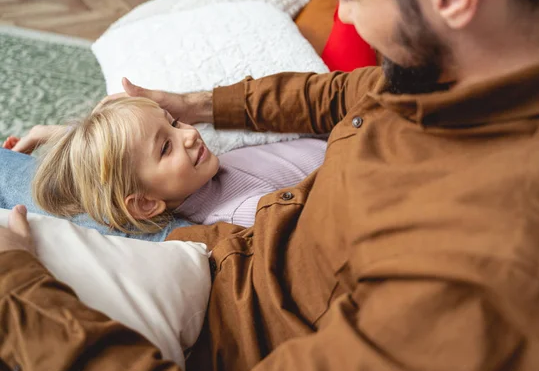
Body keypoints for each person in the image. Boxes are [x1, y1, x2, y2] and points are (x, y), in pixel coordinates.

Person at [1, 0, 539, 371]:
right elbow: (346, 92)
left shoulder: (485, 270)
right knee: (27, 169)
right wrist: (196, 103)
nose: (343, 16)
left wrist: (17, 292)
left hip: (218, 302)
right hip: (235, 243)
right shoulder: (482, 62)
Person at [3, 97, 325, 234]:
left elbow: (119, 156)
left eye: (174, 122)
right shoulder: (238, 213)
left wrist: (49, 134)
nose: (189, 134)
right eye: (166, 146)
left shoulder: (197, 175)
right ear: (145, 203)